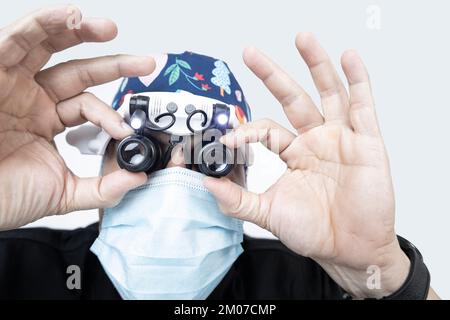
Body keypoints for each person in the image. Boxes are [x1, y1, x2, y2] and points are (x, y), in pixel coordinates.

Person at [0, 5, 439, 300]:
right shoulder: (15, 268)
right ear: (101, 157)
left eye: (209, 155)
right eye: (141, 150)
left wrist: (378, 272)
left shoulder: (312, 280)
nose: (173, 178)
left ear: (245, 171)